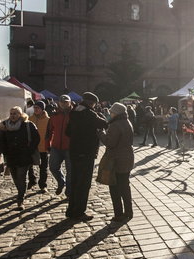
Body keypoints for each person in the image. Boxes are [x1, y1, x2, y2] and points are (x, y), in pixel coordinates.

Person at [65, 92, 108, 220]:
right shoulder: (89, 113)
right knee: (84, 183)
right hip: (86, 152)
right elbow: (104, 123)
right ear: (91, 103)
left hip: (74, 151)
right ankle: (79, 212)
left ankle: (71, 210)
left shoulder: (73, 113)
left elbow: (67, 132)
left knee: (75, 181)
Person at [0, 106, 40, 210]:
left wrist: (29, 150)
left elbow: (36, 138)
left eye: (15, 113)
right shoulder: (5, 126)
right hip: (11, 156)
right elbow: (1, 140)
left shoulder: (28, 125)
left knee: (21, 177)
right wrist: (4, 151)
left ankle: (20, 199)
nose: (12, 116)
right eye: (11, 113)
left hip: (24, 156)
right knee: (16, 178)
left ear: (20, 115)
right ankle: (20, 192)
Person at [100, 102, 135, 222]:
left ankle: (119, 214)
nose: (110, 114)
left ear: (116, 113)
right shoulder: (127, 122)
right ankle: (129, 212)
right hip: (127, 158)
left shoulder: (115, 125)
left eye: (111, 112)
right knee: (125, 186)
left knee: (114, 188)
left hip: (117, 160)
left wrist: (101, 134)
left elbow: (110, 143)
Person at [47, 95, 73, 196]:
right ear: (58, 102)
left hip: (70, 147)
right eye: (62, 102)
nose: (63, 104)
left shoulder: (74, 115)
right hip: (56, 146)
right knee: (53, 167)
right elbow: (49, 131)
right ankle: (61, 182)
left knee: (70, 171)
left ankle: (69, 191)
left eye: (66, 102)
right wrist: (47, 144)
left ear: (70, 102)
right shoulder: (55, 115)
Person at [28, 101, 50, 192]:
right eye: (35, 108)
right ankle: (32, 181)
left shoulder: (48, 120)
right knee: (29, 165)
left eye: (38, 108)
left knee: (43, 167)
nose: (36, 109)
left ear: (42, 109)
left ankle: (43, 185)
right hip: (32, 146)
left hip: (43, 147)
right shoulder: (30, 119)